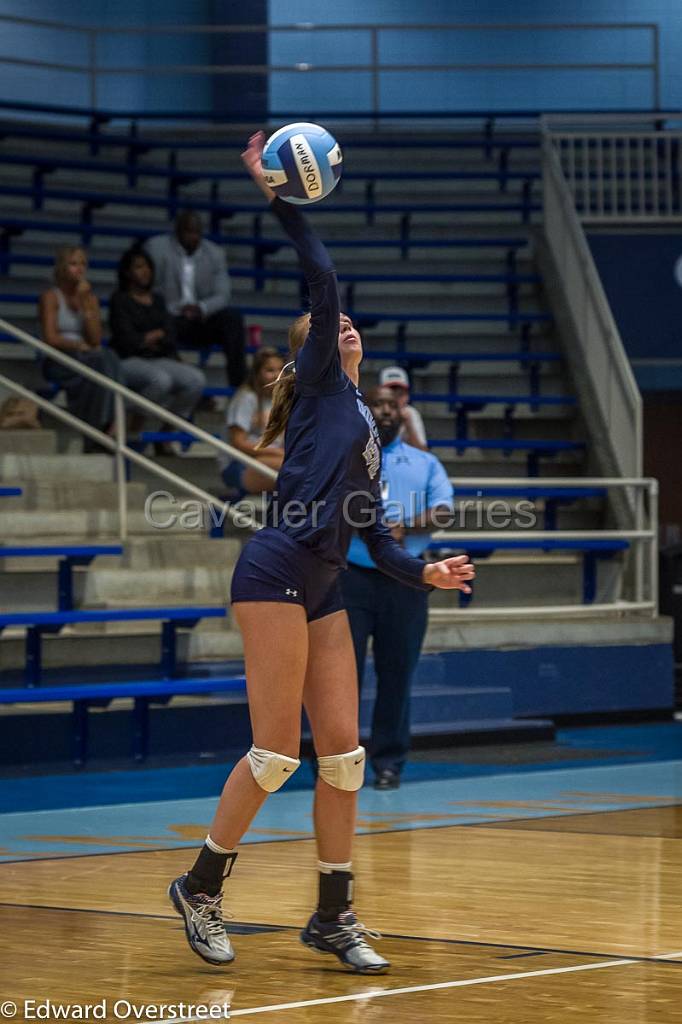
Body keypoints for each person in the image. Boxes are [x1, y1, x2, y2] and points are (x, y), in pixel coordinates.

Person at [167, 132, 474, 976]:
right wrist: (278, 193)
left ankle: (333, 916)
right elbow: (321, 271)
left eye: (345, 323)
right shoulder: (324, 390)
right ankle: (200, 887)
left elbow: (377, 537)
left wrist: (428, 573)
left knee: (345, 755)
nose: (342, 323)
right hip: (273, 573)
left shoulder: (370, 436)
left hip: (329, 584)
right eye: (325, 324)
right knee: (276, 754)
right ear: (313, 353)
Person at [342, 385, 454, 790]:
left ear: (403, 414)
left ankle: (388, 763)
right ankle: (337, 762)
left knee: (397, 674)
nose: (386, 411)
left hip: (407, 580)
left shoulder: (424, 463)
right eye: (377, 405)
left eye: (393, 406)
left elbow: (444, 510)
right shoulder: (345, 456)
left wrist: (405, 526)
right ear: (365, 412)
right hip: (349, 576)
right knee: (340, 675)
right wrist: (369, 527)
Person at [109, 246, 205, 455]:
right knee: (160, 380)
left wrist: (150, 338)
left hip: (158, 356)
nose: (145, 272)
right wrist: (150, 338)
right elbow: (126, 339)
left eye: (147, 267)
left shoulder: (158, 299)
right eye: (138, 267)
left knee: (195, 379)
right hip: (127, 359)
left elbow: (169, 334)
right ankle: (131, 420)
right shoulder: (120, 299)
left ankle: (167, 433)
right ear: (127, 271)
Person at [146, 212, 246, 388]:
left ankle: (240, 385)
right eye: (188, 231)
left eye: (197, 232)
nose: (193, 237)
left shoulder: (215, 253)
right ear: (177, 231)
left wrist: (201, 308)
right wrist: (175, 309)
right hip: (169, 316)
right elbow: (149, 289)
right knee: (161, 321)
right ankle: (180, 383)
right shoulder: (156, 248)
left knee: (233, 319)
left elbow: (223, 294)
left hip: (201, 318)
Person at [39, 245, 124, 450]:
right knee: (101, 361)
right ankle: (110, 423)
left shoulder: (90, 299)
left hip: (86, 356)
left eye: (83, 264)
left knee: (108, 356)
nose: (80, 269)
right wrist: (78, 344)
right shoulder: (51, 297)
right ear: (62, 267)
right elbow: (50, 338)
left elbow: (95, 339)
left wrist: (86, 305)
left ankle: (105, 424)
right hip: (60, 358)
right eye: (74, 263)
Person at [220, 347, 285, 496]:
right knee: (295, 469)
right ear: (257, 373)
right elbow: (238, 442)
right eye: (269, 370)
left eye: (280, 370)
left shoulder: (281, 399)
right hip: (238, 464)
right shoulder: (246, 398)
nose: (277, 376)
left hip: (270, 458)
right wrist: (277, 452)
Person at [378, 365, 428, 450]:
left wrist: (408, 425)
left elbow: (423, 452)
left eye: (400, 394)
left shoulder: (411, 413)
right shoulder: (374, 413)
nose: (396, 399)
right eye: (391, 394)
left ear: (407, 396)